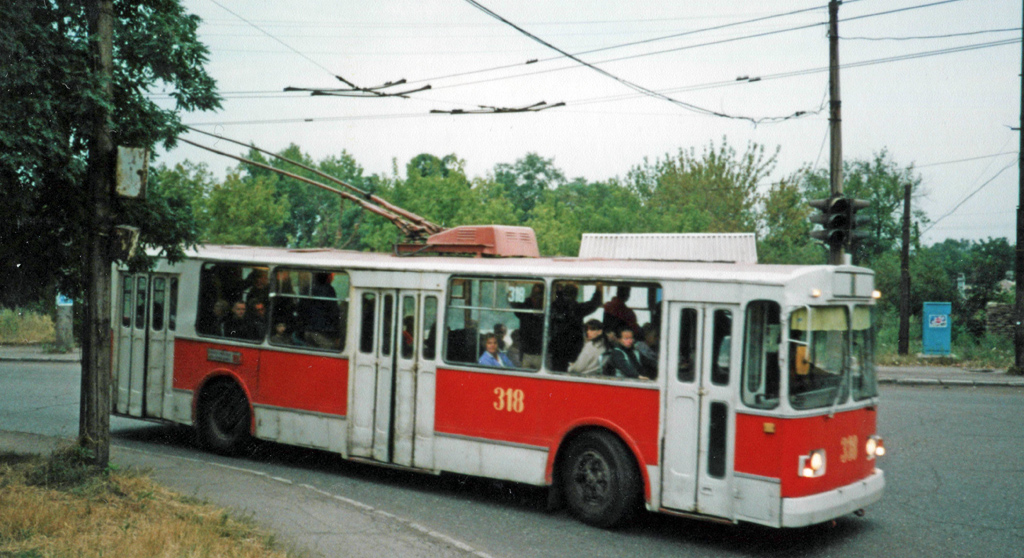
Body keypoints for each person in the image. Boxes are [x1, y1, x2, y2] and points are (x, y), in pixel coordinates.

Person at [548, 282, 603, 371]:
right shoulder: (576, 308)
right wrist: (598, 289)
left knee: (556, 372)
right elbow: (594, 303)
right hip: (572, 348)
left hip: (556, 348)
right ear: (575, 295)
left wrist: (559, 292)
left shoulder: (554, 306)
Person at [512, 283, 545, 369]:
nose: (537, 297)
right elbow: (515, 307)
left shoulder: (546, 306)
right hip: (526, 349)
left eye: (539, 294)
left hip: (541, 351)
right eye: (535, 294)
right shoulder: (525, 305)